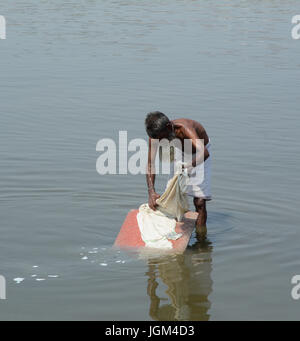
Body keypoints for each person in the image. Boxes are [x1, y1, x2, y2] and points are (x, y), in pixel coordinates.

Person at [145, 111, 211, 240]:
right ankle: (174, 231)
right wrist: (151, 192)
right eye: (158, 140)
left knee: (199, 201)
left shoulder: (185, 128)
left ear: (169, 128)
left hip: (199, 153)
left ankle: (201, 239)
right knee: (173, 194)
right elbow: (150, 164)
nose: (160, 142)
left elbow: (205, 153)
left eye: (162, 138)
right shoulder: (156, 135)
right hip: (179, 149)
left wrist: (189, 166)